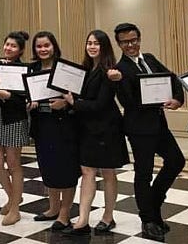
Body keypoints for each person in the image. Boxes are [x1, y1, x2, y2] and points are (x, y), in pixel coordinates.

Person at [113, 22, 185, 242]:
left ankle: (153, 202)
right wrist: (148, 98)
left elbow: (171, 78)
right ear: (119, 44)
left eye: (134, 40)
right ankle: (148, 219)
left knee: (176, 161)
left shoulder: (150, 59)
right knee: (143, 173)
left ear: (139, 38)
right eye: (125, 42)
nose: (130, 45)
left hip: (159, 124)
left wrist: (177, 99)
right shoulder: (119, 70)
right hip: (139, 128)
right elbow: (127, 101)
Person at [63, 30, 129, 236]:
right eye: (89, 43)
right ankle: (83, 220)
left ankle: (108, 216)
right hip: (86, 128)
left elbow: (101, 104)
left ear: (104, 46)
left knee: (108, 172)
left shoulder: (109, 71)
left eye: (96, 43)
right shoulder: (84, 69)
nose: (92, 47)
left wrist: (74, 102)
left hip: (106, 129)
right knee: (87, 171)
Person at [27, 31, 79, 232]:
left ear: (54, 46)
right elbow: (25, 94)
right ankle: (53, 208)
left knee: (66, 170)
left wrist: (65, 103)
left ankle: (65, 214)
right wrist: (29, 103)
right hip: (42, 126)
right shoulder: (32, 69)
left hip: (64, 126)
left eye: (46, 45)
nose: (43, 49)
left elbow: (77, 96)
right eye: (39, 46)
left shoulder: (64, 68)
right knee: (48, 167)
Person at [0, 31, 30, 226]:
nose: (8, 48)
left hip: (15, 118)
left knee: (13, 164)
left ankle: (15, 209)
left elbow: (26, 99)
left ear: (20, 50)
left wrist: (9, 96)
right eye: (7, 44)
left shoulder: (25, 69)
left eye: (13, 46)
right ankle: (14, 197)